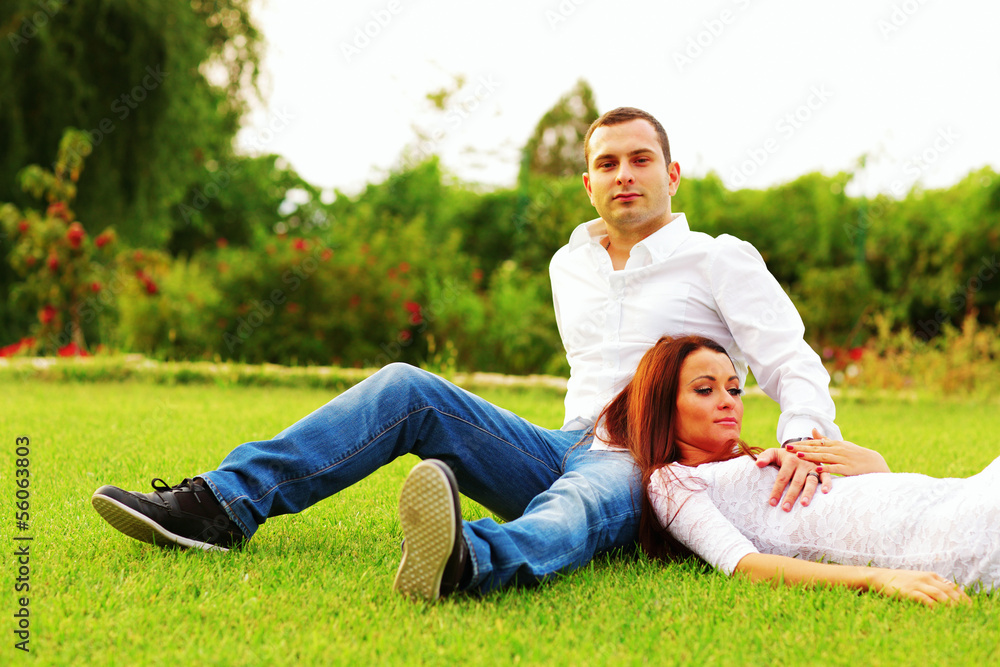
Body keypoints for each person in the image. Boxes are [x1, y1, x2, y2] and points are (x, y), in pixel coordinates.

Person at [91, 107, 839, 601]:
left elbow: (789, 359)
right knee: (404, 386)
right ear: (588, 184)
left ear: (672, 175)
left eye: (641, 159)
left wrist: (803, 435)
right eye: (607, 164)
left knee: (582, 497)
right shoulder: (567, 265)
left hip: (647, 463)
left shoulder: (719, 259)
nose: (625, 175)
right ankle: (220, 505)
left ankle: (469, 558)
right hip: (559, 443)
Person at [597, 333, 997, 605]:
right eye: (705, 389)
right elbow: (745, 566)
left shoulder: (765, 457)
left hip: (944, 498)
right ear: (663, 404)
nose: (728, 401)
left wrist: (877, 470)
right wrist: (876, 578)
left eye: (734, 389)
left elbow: (838, 506)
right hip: (934, 538)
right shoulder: (672, 481)